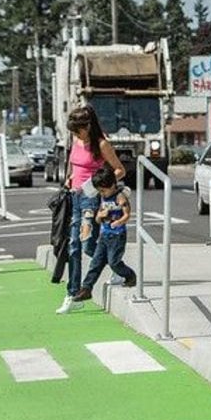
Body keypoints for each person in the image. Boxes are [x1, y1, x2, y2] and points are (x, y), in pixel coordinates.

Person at [57, 105, 125, 315]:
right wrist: (70, 178)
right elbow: (74, 166)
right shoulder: (75, 140)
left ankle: (116, 266)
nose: (76, 135)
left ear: (87, 126)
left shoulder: (101, 144)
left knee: (87, 245)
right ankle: (72, 294)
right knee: (74, 247)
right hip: (74, 196)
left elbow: (119, 170)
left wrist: (97, 186)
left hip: (91, 198)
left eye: (78, 131)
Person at [73, 167, 137, 302]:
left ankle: (129, 275)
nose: (102, 193)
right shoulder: (103, 198)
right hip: (104, 235)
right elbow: (98, 219)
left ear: (112, 185)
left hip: (117, 236)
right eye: (100, 191)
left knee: (114, 262)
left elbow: (127, 215)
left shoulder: (120, 197)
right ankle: (86, 288)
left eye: (103, 190)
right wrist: (100, 216)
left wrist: (118, 222)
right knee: (95, 263)